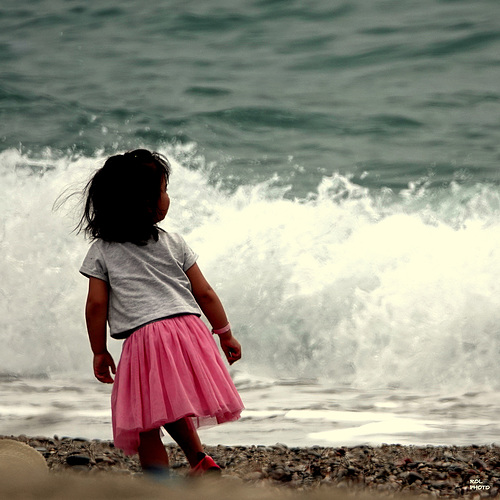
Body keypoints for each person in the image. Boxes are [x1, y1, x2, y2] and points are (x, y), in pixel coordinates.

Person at [78, 149, 243, 477]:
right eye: (164, 191)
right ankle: (199, 459)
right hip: (189, 331)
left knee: (144, 419)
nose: (168, 198)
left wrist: (99, 351)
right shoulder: (175, 242)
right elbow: (205, 293)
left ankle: (158, 484)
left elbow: (96, 304)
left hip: (147, 339)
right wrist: (224, 333)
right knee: (170, 402)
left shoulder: (101, 251)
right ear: (145, 202)